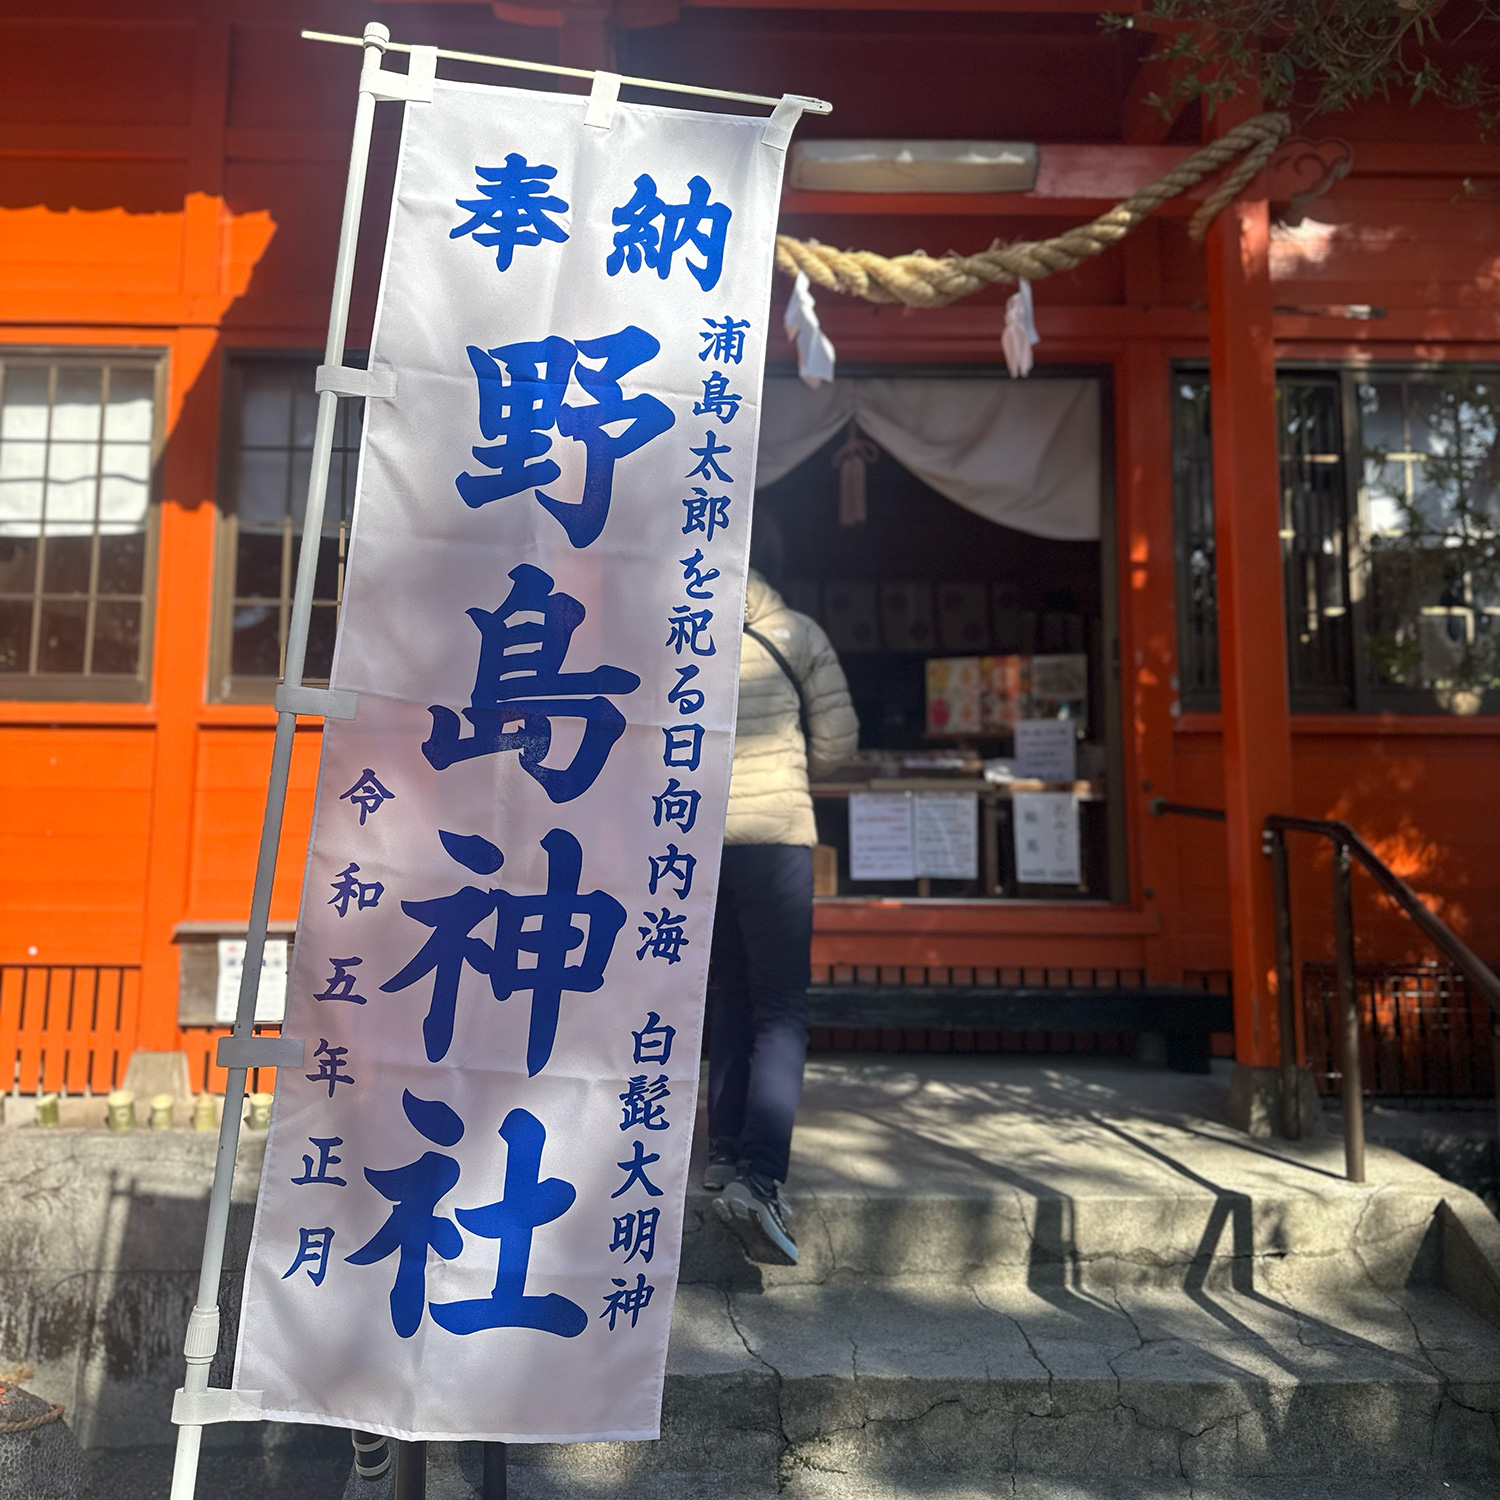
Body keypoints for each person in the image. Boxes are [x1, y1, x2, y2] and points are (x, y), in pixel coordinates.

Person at [707, 511, 858, 1265]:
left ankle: (722, 1152)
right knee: (783, 1008)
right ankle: (761, 1176)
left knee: (730, 998)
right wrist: (795, 770)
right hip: (776, 840)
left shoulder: (687, 634)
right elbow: (838, 744)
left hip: (701, 841)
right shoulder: (796, 634)